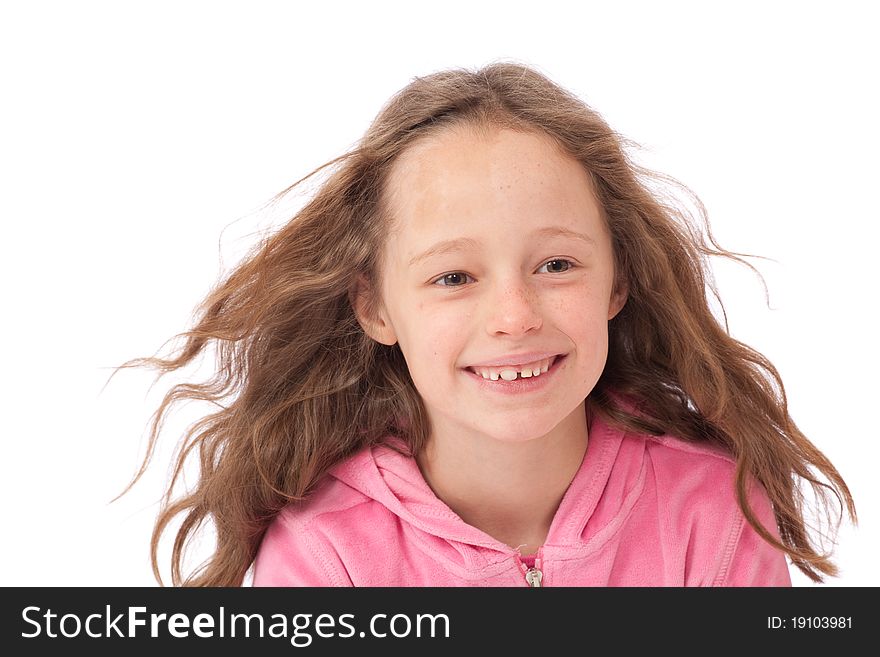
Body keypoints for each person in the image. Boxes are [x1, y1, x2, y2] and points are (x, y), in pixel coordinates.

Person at [118, 62, 855, 586]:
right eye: (453, 277)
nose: (513, 317)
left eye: (557, 265)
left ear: (618, 278)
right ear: (375, 306)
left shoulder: (712, 513)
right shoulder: (325, 552)